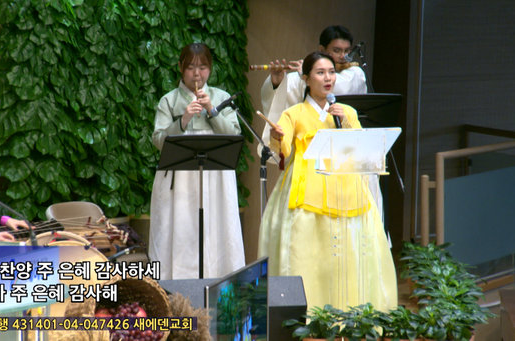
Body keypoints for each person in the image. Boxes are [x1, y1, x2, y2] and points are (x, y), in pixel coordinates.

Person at [257, 52, 397, 312]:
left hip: (347, 191)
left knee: (349, 254)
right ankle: (309, 313)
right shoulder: (293, 113)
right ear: (306, 79)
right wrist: (277, 137)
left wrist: (346, 120)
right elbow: (282, 150)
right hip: (307, 190)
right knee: (310, 254)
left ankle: (352, 312)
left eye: (331, 72)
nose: (328, 78)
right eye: (320, 73)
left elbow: (361, 150)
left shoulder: (347, 112)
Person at [259, 25, 383, 218]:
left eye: (346, 51)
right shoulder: (295, 110)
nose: (343, 56)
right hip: (308, 177)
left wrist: (307, 73)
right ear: (322, 49)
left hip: (345, 177)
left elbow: (361, 146)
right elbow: (282, 149)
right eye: (336, 50)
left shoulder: (354, 77)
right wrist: (277, 82)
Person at [149, 43, 245, 280]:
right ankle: (176, 286)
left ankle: (219, 282)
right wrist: (183, 119)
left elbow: (234, 134)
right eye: (191, 67)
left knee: (216, 225)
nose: (197, 74)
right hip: (179, 175)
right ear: (181, 68)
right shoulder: (169, 100)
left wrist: (211, 109)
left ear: (210, 69)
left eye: (203, 67)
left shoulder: (221, 97)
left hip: (215, 172)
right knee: (180, 228)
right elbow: (158, 140)